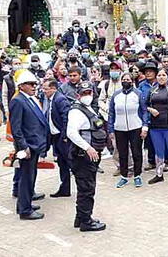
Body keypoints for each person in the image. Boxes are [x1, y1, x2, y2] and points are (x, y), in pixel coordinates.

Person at [66, 81, 107, 231]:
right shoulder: (76, 111)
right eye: (83, 93)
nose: (87, 96)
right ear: (78, 95)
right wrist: (87, 147)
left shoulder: (88, 108)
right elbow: (71, 132)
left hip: (90, 156)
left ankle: (81, 217)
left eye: (89, 92)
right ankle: (86, 222)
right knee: (87, 189)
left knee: (85, 188)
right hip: (83, 156)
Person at [8, 70, 49, 220]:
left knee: (31, 176)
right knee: (26, 177)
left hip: (35, 144)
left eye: (35, 84)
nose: (34, 87)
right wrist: (23, 147)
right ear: (21, 86)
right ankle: (24, 210)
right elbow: (16, 128)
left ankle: (26, 203)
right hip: (28, 147)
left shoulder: (30, 99)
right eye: (30, 84)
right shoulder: (18, 101)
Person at [143, 68, 168, 186]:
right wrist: (151, 110)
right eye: (159, 75)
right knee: (158, 152)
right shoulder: (152, 90)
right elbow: (145, 106)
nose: (161, 77)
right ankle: (159, 174)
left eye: (163, 75)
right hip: (155, 127)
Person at [107, 72, 146, 188]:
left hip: (136, 127)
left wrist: (145, 127)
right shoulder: (116, 95)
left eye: (128, 79)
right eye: (124, 79)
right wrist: (111, 129)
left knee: (136, 152)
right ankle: (124, 176)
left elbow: (144, 111)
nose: (126, 81)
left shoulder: (138, 94)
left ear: (132, 81)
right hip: (119, 128)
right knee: (122, 153)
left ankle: (137, 175)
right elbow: (111, 113)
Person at [41, 78, 72, 198]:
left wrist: (64, 136)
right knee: (62, 162)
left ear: (53, 88)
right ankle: (65, 188)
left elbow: (66, 118)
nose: (44, 91)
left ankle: (78, 186)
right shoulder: (49, 100)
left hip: (61, 136)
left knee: (68, 161)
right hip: (54, 136)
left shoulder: (60, 99)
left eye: (46, 89)